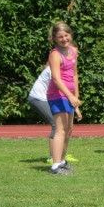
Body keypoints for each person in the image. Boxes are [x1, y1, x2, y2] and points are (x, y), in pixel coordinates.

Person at [47, 21, 81, 175]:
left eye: (66, 35)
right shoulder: (55, 55)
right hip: (57, 95)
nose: (64, 39)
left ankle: (61, 161)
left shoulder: (73, 51)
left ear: (70, 35)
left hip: (69, 95)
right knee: (60, 130)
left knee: (68, 129)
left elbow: (74, 74)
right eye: (60, 37)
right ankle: (55, 166)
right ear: (54, 38)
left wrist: (76, 97)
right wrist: (69, 95)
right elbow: (56, 79)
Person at [28, 65, 80, 163]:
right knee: (57, 125)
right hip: (39, 97)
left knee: (66, 126)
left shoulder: (66, 69)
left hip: (51, 97)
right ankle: (53, 157)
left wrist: (74, 106)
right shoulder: (56, 68)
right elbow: (60, 88)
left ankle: (62, 155)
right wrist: (74, 104)